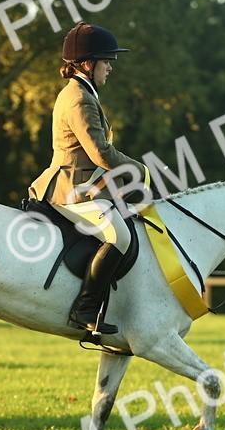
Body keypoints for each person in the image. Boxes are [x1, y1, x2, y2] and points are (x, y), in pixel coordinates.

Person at [28, 22, 149, 336]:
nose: (110, 67)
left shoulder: (83, 93)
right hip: (70, 190)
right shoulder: (80, 99)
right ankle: (85, 309)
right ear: (86, 64)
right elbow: (101, 153)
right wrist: (141, 171)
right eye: (106, 61)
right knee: (119, 237)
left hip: (84, 185)